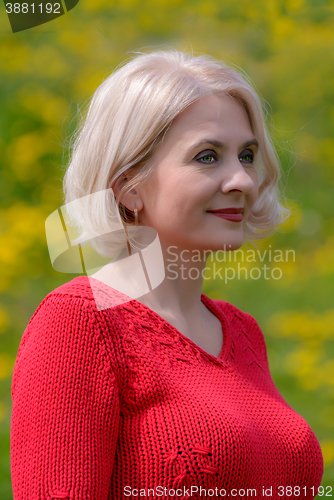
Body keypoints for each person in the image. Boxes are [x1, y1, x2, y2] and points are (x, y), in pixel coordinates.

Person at [11, 50, 324, 499]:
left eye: (247, 154)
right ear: (129, 187)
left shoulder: (242, 331)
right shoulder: (81, 322)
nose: (244, 180)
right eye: (207, 156)